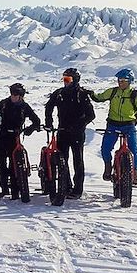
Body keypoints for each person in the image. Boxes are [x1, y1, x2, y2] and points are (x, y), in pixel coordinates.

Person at [89, 68, 137, 187]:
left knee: (133, 150)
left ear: (130, 81)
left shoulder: (134, 94)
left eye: (124, 80)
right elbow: (100, 97)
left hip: (128, 125)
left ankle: (135, 176)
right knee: (105, 148)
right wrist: (91, 94)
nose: (120, 82)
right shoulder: (113, 92)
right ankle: (108, 168)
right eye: (119, 80)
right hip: (113, 124)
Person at [44, 68, 96, 199]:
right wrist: (49, 122)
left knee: (77, 160)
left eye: (68, 79)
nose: (65, 82)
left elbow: (91, 115)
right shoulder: (59, 93)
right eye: (64, 79)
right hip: (62, 131)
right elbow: (49, 106)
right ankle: (65, 186)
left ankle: (77, 190)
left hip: (77, 133)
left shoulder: (81, 94)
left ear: (75, 80)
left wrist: (79, 125)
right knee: (62, 160)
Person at [0, 83, 41, 199]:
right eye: (12, 94)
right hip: (1, 136)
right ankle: (4, 189)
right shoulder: (4, 103)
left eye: (16, 94)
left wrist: (29, 129)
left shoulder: (24, 106)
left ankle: (15, 190)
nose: (13, 96)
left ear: (21, 96)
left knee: (14, 165)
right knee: (1, 164)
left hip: (15, 138)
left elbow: (36, 120)